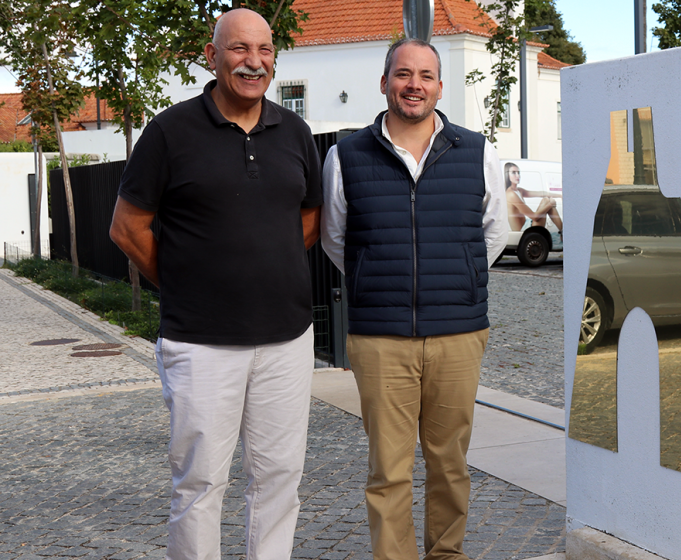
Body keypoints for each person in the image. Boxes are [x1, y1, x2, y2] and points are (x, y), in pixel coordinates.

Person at [108, 8, 322, 559]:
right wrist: (188, 282)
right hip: (200, 343)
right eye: (239, 49)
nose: (254, 62)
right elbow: (127, 229)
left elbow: (307, 219)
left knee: (279, 478)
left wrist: (263, 272)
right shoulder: (169, 132)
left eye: (265, 51)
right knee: (200, 484)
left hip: (287, 340)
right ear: (212, 55)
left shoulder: (296, 132)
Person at [319, 38, 507, 560]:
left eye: (425, 75)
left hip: (458, 334)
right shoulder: (347, 155)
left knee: (449, 464)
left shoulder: (476, 150)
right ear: (384, 83)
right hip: (380, 338)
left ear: (440, 87)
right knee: (389, 470)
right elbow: (337, 239)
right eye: (403, 74)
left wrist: (460, 279)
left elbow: (494, 232)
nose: (414, 85)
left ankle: (447, 555)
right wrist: (375, 278)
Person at [504, 162, 562, 233]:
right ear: (507, 175)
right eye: (513, 173)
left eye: (518, 172)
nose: (518, 176)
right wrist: (550, 204)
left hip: (527, 224)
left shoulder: (519, 190)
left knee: (545, 200)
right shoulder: (511, 194)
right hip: (523, 231)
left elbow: (540, 193)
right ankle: (563, 232)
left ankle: (563, 231)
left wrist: (560, 195)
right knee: (547, 202)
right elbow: (535, 217)